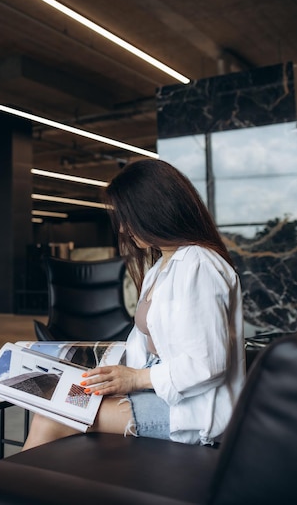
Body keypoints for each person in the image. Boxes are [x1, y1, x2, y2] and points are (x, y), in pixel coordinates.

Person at [22, 158, 245, 450]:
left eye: (130, 218)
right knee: (54, 398)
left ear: (156, 211)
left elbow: (207, 365)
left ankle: (3, 492)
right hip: (160, 392)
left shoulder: (198, 264)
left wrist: (136, 379)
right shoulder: (160, 268)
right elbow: (145, 348)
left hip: (192, 411)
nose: (125, 229)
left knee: (52, 417)